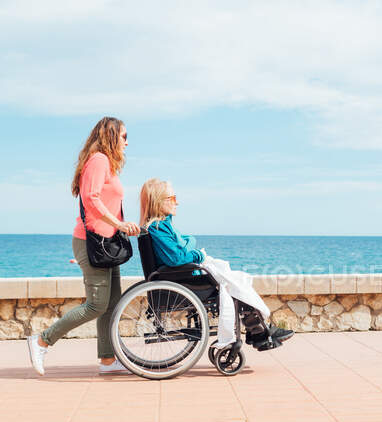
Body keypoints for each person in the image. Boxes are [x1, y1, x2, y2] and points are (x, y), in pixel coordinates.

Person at [27, 117, 140, 376]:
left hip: (107, 243)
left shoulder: (107, 164)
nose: (126, 142)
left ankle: (108, 360)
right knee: (96, 305)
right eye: (123, 136)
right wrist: (120, 225)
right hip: (93, 243)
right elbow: (91, 198)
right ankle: (42, 340)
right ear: (111, 136)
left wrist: (121, 227)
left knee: (112, 303)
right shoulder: (99, 160)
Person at [139, 178, 294, 350]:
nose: (178, 203)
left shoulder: (162, 226)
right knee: (233, 284)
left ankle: (258, 331)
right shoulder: (158, 227)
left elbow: (184, 246)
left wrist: (188, 243)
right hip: (179, 281)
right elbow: (177, 258)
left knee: (235, 282)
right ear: (159, 201)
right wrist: (196, 253)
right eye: (173, 199)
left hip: (179, 277)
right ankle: (259, 332)